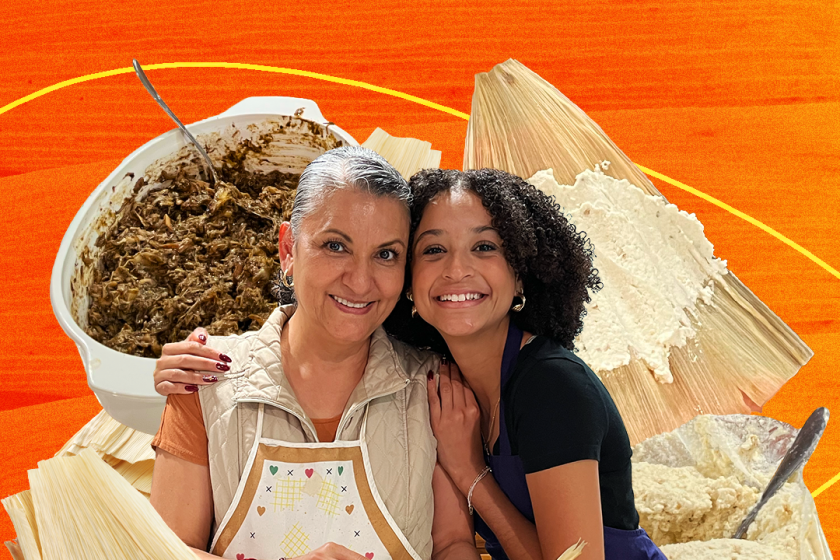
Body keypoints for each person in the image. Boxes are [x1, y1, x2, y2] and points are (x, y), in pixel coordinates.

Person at [149, 147, 477, 560]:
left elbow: (454, 546)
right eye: (335, 246)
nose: (360, 281)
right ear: (288, 249)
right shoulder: (204, 379)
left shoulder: (434, 387)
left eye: (386, 254)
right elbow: (162, 552)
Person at [385, 168, 667, 560]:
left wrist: (470, 473)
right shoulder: (444, 381)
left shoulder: (553, 387)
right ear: (408, 283)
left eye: (484, 247)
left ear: (521, 277)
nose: (456, 269)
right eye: (433, 250)